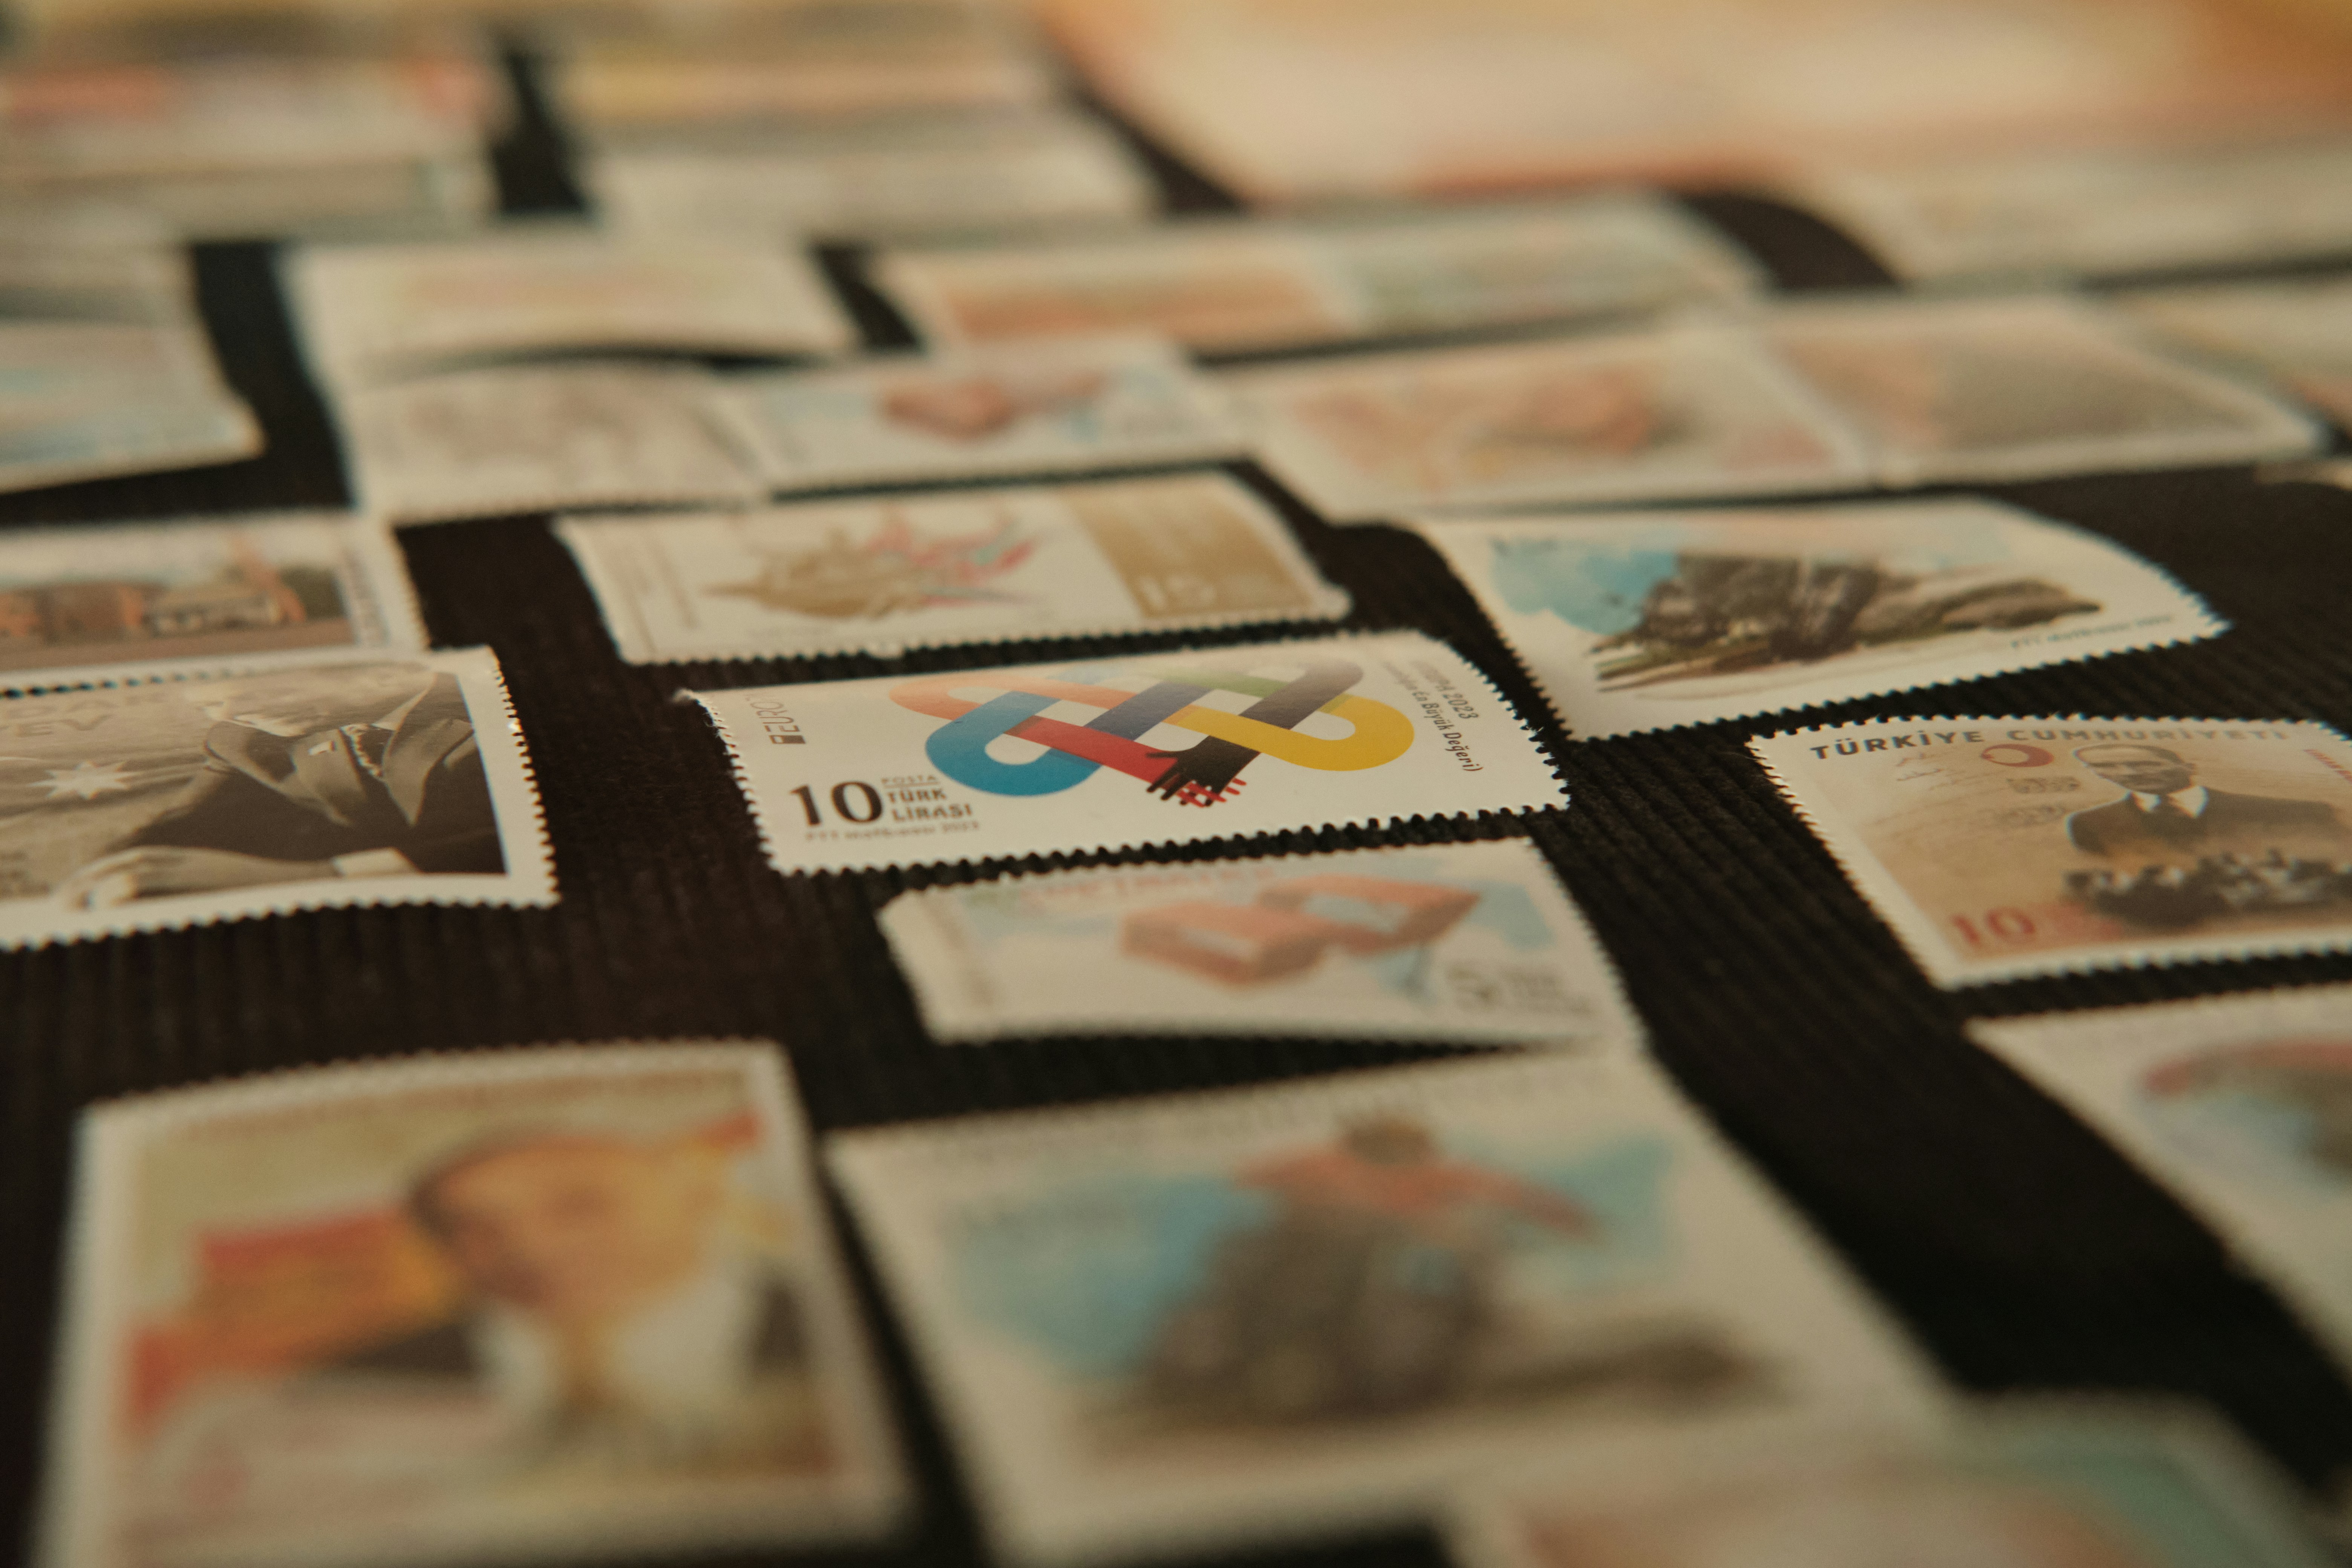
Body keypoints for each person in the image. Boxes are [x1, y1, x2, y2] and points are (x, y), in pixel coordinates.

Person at [329, 1128, 816, 1464]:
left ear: (697, 1190)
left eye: (579, 1206)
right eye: (472, 1227)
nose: (531, 1249)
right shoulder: (356, 1380)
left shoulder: (831, 1324)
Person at [1145, 1115, 1594, 1423]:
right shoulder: (1322, 1164)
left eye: (1403, 1153)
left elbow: (1507, 1192)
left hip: (1382, 1259)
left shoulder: (1432, 1176)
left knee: (1468, 1249)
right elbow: (1247, 1177)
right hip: (1306, 1255)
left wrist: (1565, 1217)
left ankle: (1482, 1322)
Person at [55, 668, 502, 908]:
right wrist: (101, 877)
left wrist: (323, 877)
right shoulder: (240, 738)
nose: (236, 712)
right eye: (212, 703)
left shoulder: (485, 703)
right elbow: (183, 822)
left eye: (253, 692)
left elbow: (514, 839)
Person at [2062, 743, 2347, 860]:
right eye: (2109, 770)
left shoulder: (2295, 814)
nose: (2130, 774)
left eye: (2140, 763)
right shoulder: (2091, 825)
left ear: (2189, 768)